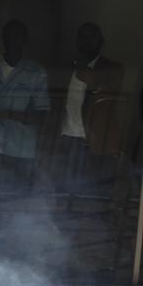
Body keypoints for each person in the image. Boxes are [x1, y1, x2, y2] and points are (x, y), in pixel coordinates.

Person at [0, 20, 50, 193]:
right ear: (3, 39)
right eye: (9, 37)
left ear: (25, 40)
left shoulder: (36, 72)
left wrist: (7, 114)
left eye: (18, 37)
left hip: (21, 149)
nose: (13, 41)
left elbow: (41, 115)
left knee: (14, 197)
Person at [57, 22, 124, 194]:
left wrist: (80, 66)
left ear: (101, 41)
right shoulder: (66, 68)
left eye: (91, 37)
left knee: (94, 196)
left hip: (95, 143)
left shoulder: (112, 68)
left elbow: (97, 83)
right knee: (64, 194)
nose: (86, 42)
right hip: (67, 139)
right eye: (82, 37)